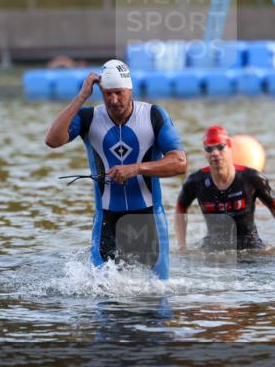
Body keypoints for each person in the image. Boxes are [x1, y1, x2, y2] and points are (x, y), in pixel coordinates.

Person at [45, 60, 186, 279]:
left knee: (157, 297)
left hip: (148, 217)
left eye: (119, 93)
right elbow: (52, 140)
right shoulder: (88, 118)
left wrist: (136, 168)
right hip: (107, 220)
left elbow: (179, 163)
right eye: (107, 94)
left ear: (130, 89)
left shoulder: (153, 116)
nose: (113, 100)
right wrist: (82, 96)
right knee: (103, 296)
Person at [175, 125, 275, 252]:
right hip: (214, 246)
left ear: (230, 148)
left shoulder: (252, 178)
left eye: (220, 147)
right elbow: (180, 207)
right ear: (205, 153)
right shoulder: (195, 181)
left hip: (250, 244)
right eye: (209, 149)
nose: (215, 153)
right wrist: (182, 246)